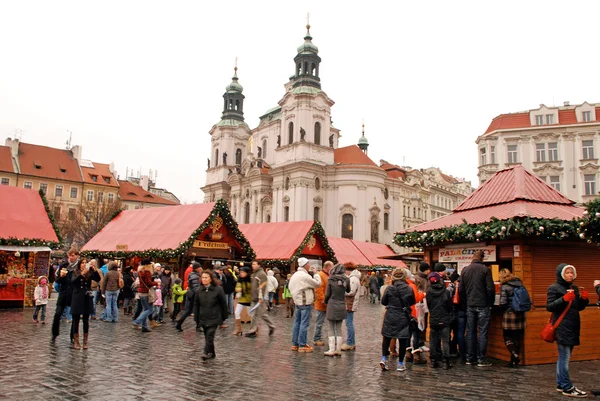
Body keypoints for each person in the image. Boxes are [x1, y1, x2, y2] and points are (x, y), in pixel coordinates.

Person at [547, 263, 589, 397]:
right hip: (562, 326)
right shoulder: (554, 288)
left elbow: (577, 308)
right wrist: (563, 299)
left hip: (573, 326)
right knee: (565, 358)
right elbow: (550, 306)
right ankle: (567, 387)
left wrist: (584, 300)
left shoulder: (574, 288)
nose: (570, 275)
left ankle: (561, 383)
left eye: (572, 272)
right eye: (567, 273)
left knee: (564, 357)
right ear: (561, 274)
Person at [459, 250, 495, 367]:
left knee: (470, 331)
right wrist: (490, 302)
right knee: (483, 332)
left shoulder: (465, 270)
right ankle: (481, 359)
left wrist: (466, 301)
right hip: (483, 304)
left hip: (470, 305)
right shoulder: (486, 270)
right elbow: (490, 289)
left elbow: (461, 290)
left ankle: (470, 358)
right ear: (482, 258)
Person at [380, 268, 416, 372]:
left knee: (387, 337)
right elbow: (412, 301)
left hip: (391, 314)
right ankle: (400, 364)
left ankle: (384, 358)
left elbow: (383, 302)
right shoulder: (409, 289)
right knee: (402, 339)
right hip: (403, 315)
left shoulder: (389, 288)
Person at [288, 258, 321, 352]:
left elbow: (290, 287)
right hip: (305, 302)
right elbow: (317, 284)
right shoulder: (304, 276)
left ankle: (295, 344)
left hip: (298, 302)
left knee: (297, 323)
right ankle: (302, 344)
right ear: (305, 265)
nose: (309, 265)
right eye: (308, 264)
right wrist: (316, 274)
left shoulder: (295, 275)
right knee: (304, 324)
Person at [194, 271, 228, 360]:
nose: (204, 279)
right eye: (203, 278)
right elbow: (196, 305)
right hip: (203, 317)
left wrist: (224, 316)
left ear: (211, 279)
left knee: (209, 336)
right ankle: (212, 353)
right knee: (207, 336)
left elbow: (223, 303)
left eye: (206, 277)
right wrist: (196, 318)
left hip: (214, 317)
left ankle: (207, 352)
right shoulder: (199, 290)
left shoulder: (218, 289)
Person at [498, 268, 526, 368]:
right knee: (517, 337)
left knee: (507, 336)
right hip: (520, 314)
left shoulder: (505, 286)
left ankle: (514, 354)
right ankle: (513, 361)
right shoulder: (520, 283)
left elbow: (503, 303)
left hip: (509, 314)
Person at [70, 259, 101, 349]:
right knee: (76, 319)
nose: (83, 264)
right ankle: (76, 341)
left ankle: (85, 341)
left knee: (86, 319)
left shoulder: (89, 272)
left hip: (86, 296)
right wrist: (81, 274)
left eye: (85, 263)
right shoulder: (75, 272)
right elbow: (73, 282)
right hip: (77, 296)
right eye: (82, 263)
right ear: (79, 264)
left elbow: (98, 279)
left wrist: (94, 270)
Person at [51, 248, 80, 343]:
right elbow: (58, 280)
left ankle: (73, 336)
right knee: (58, 313)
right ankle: (54, 333)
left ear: (77, 256)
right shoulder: (64, 265)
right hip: (63, 293)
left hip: (74, 293)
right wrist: (61, 277)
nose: (71, 257)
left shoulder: (79, 267)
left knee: (74, 316)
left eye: (73, 255)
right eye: (70, 255)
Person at [426, 268, 453, 370]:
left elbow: (429, 306)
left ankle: (434, 361)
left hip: (434, 318)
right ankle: (446, 362)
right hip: (445, 318)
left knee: (433, 341)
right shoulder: (445, 292)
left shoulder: (429, 292)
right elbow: (449, 306)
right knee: (445, 341)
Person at [323, 263, 350, 356]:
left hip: (332, 304)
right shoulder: (346, 279)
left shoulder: (331, 279)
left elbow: (327, 294)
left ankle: (331, 349)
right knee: (338, 328)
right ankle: (338, 349)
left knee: (331, 327)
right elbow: (348, 290)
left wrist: (325, 301)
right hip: (342, 304)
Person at [245, 261, 276, 338]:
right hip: (253, 297)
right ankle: (252, 330)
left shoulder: (262, 274)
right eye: (252, 264)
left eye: (254, 264)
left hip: (259, 298)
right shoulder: (254, 273)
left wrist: (261, 297)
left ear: (259, 265)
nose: (252, 265)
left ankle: (271, 326)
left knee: (262, 314)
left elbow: (263, 286)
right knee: (253, 315)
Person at [133, 260, 159, 333]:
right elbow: (149, 283)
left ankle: (144, 327)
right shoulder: (147, 272)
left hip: (140, 292)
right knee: (149, 309)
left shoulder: (140, 272)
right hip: (146, 293)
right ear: (147, 265)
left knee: (145, 309)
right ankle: (137, 321)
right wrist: (156, 283)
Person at [176, 262, 202, 332]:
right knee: (191, 311)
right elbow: (195, 287)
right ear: (196, 268)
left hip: (192, 294)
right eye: (199, 268)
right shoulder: (194, 276)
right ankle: (179, 324)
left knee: (190, 311)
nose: (200, 269)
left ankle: (198, 326)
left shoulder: (194, 275)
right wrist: (200, 294)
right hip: (194, 295)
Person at [342, 262, 361, 351]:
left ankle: (350, 342)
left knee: (349, 323)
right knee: (349, 322)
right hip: (350, 302)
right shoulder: (354, 278)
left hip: (350, 303)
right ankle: (351, 342)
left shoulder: (353, 279)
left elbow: (351, 292)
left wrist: (342, 292)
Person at [313, 261, 333, 346]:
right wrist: (323, 301)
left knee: (323, 323)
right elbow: (318, 290)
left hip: (327, 303)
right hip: (322, 304)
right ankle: (316, 338)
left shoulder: (328, 275)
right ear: (328, 267)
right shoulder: (320, 275)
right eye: (331, 267)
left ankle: (321, 337)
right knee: (319, 323)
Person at [232, 266, 252, 336]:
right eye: (240, 272)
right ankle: (239, 329)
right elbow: (237, 287)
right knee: (237, 312)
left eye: (243, 272)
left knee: (251, 315)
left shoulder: (250, 280)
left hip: (249, 300)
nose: (241, 274)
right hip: (241, 300)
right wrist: (238, 289)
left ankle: (254, 329)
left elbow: (254, 289)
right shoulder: (239, 280)